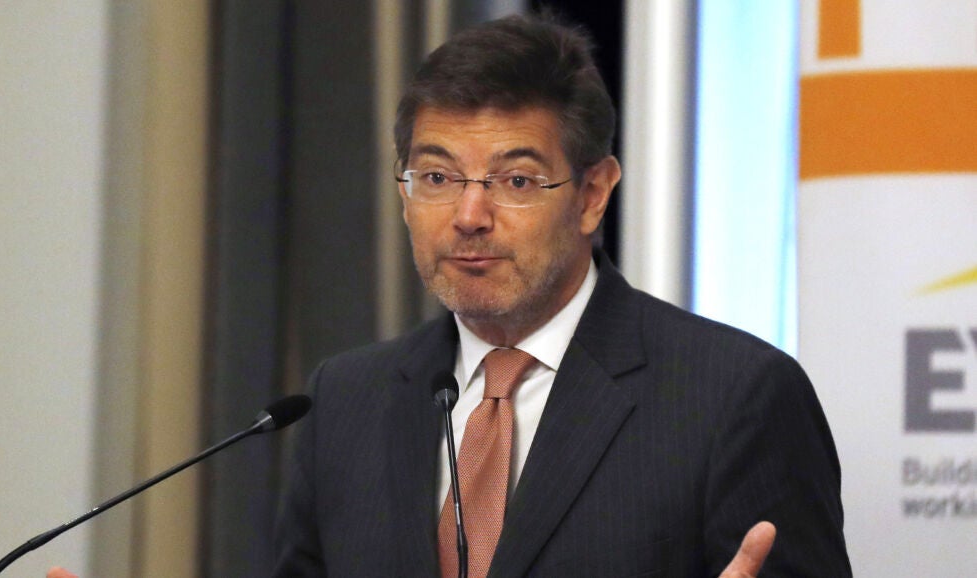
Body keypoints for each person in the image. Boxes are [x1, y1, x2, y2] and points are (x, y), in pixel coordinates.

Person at [51, 12, 851, 578]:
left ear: (592, 194)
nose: (469, 215)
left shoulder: (735, 399)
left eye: (515, 180)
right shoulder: (345, 402)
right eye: (436, 177)